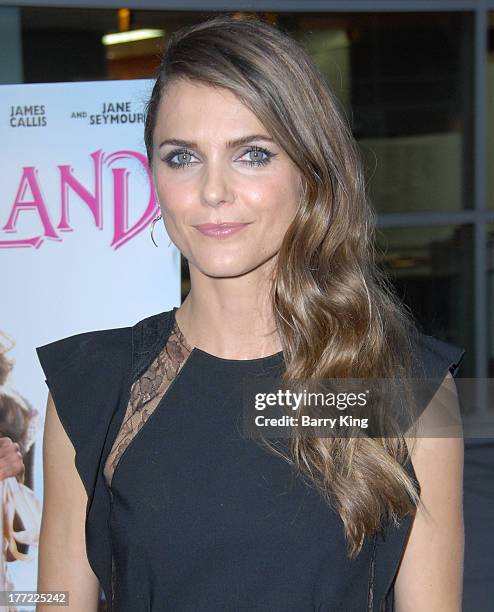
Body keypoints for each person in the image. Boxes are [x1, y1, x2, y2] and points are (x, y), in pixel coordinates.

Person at [36, 14, 465, 612]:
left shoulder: (401, 388)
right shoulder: (94, 387)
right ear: (154, 175)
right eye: (182, 156)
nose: (213, 191)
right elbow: (55, 598)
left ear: (311, 174)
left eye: (253, 155)